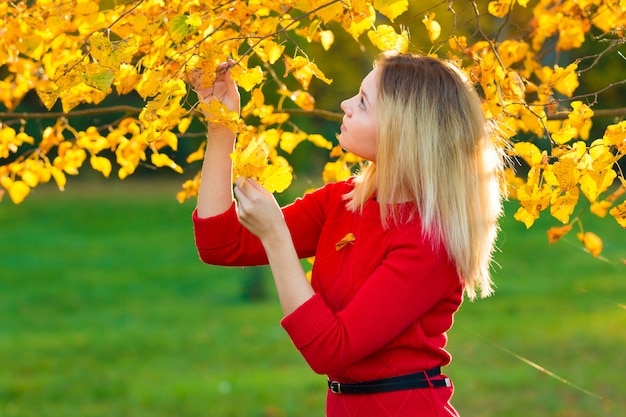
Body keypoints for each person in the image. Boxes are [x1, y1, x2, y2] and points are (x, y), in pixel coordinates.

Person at [191, 52, 505, 417]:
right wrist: (221, 129)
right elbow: (221, 243)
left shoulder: (429, 240)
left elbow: (330, 349)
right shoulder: (342, 202)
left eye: (363, 102)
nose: (345, 105)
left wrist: (276, 237)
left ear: (403, 130)